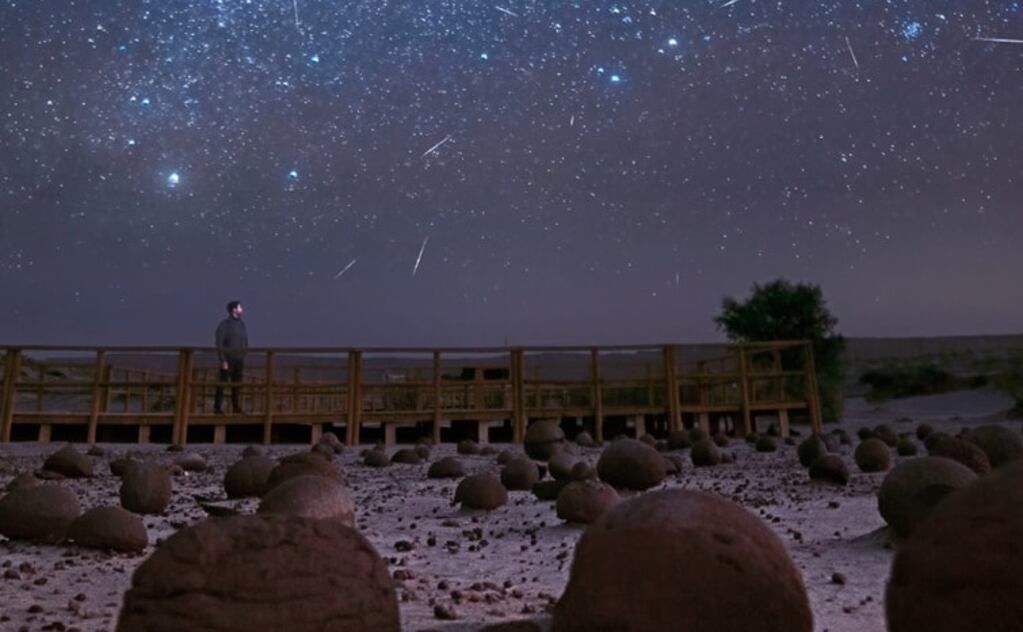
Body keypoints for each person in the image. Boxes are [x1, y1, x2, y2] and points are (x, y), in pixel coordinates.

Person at [214, 300, 248, 415]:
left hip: (239, 359)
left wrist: (244, 353)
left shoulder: (242, 324)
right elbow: (219, 342)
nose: (242, 309)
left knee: (236, 384)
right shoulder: (225, 325)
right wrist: (222, 360)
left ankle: (236, 407)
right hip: (228, 359)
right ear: (234, 310)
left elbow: (245, 340)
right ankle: (217, 408)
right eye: (240, 307)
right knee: (223, 383)